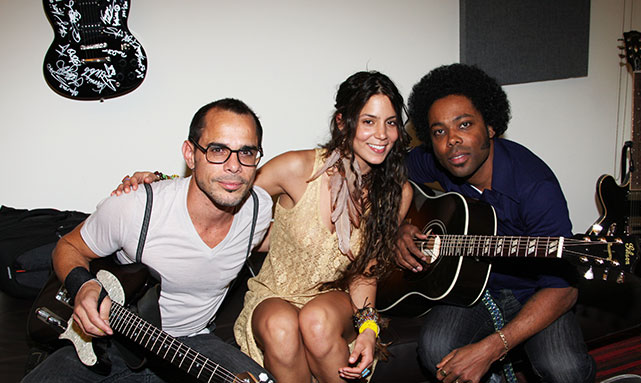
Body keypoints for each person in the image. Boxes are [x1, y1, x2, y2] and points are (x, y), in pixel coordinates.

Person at [114, 71, 413, 383]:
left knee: (317, 321)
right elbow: (228, 185)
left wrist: (368, 329)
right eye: (368, 121)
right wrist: (161, 183)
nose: (381, 134)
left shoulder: (397, 193)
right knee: (280, 326)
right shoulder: (297, 169)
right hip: (274, 294)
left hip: (331, 301)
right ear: (342, 122)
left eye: (391, 122)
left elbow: (366, 272)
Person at [23, 98, 275, 383]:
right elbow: (67, 246)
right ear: (190, 154)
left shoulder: (258, 210)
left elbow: (292, 240)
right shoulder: (136, 208)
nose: (234, 166)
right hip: (109, 339)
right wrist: (83, 286)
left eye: (247, 152)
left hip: (189, 345)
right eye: (218, 150)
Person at [396, 64, 595, 383]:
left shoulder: (535, 187)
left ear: (490, 126)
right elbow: (385, 172)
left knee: (565, 370)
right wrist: (398, 225)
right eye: (439, 131)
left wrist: (492, 348)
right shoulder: (435, 161)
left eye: (464, 124)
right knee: (437, 351)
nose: (452, 141)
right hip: (473, 286)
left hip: (535, 293)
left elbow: (564, 289)